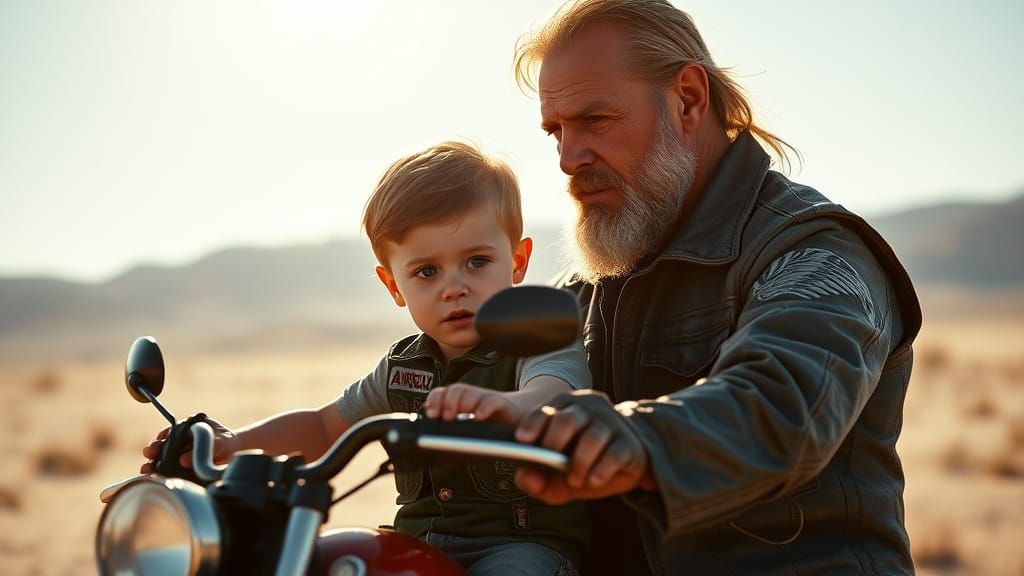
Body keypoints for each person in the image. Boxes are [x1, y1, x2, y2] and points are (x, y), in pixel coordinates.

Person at [507, 1, 923, 574]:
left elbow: (781, 406)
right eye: (556, 131)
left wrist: (633, 439)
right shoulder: (582, 289)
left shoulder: (813, 251)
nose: (568, 159)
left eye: (596, 120)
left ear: (688, 99)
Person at [142, 140, 591, 576]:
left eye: (476, 261)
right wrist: (231, 444)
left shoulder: (535, 341)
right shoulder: (402, 369)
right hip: (419, 545)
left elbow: (553, 393)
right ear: (394, 286)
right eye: (426, 272)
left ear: (517, 260)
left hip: (519, 548)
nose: (454, 286)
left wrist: (508, 407)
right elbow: (323, 425)